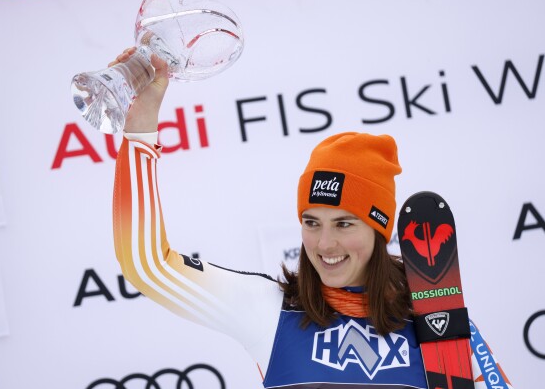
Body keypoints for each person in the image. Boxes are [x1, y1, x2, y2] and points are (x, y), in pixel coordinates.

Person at [110, 48, 513, 389]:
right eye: (312, 221)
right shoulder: (271, 311)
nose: (324, 244)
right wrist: (140, 130)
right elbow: (148, 266)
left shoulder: (439, 323)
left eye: (344, 223)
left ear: (379, 229)